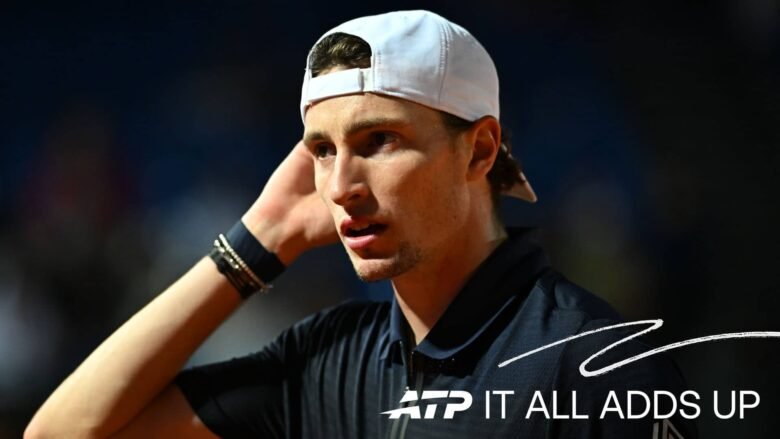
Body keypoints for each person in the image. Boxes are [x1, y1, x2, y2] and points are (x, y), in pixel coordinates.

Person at [26, 10, 696, 438]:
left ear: (480, 151)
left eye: (379, 141)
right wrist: (259, 242)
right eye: (322, 150)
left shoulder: (594, 362)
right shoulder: (328, 358)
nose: (341, 185)